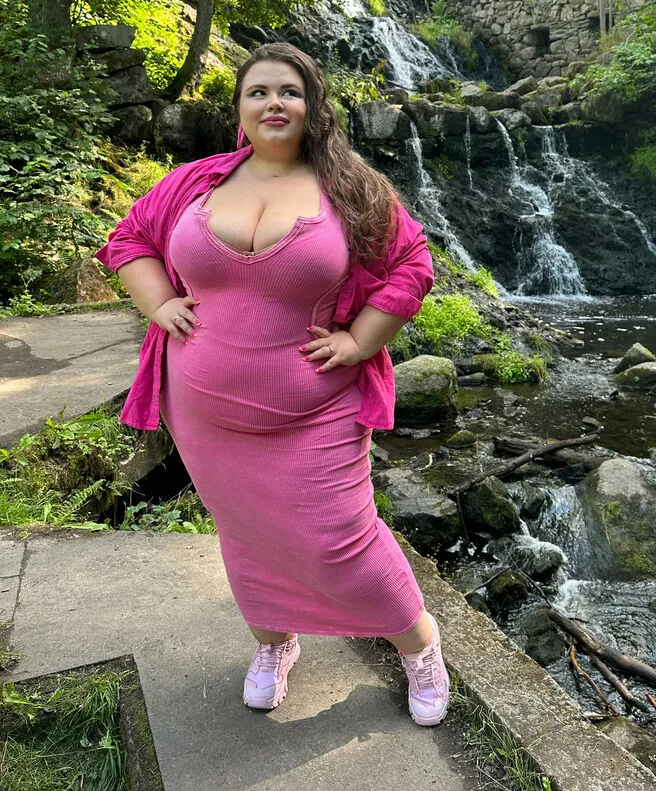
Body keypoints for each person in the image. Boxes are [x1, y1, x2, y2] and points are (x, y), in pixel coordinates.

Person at [94, 42, 451, 726]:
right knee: (244, 532)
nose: (273, 103)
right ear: (240, 109)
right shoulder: (195, 182)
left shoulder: (354, 190)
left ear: (313, 106)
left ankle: (419, 645)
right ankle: (275, 642)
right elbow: (130, 238)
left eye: (289, 90)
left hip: (315, 412)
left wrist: (359, 340)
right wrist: (159, 303)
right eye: (257, 92)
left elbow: (412, 262)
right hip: (203, 411)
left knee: (341, 540)